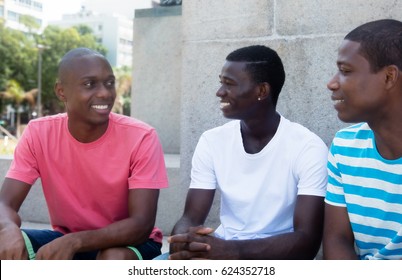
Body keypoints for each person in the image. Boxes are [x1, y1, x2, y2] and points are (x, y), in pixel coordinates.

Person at [0, 48, 168, 260]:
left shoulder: (142, 137)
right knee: (5, 243)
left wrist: (76, 241)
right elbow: (5, 203)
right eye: (90, 84)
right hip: (66, 237)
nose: (105, 93)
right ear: (61, 91)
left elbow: (141, 225)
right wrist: (7, 229)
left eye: (109, 83)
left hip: (130, 243)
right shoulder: (39, 133)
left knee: (113, 258)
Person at [165, 45, 328, 260]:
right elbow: (190, 217)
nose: (219, 92)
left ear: (261, 91)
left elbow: (307, 242)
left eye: (229, 84)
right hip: (222, 254)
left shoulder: (308, 148)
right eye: (221, 82)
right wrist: (183, 240)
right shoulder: (212, 141)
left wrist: (231, 252)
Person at [323, 19, 402, 260]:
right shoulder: (345, 146)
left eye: (345, 71)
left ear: (389, 77)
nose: (332, 83)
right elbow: (336, 240)